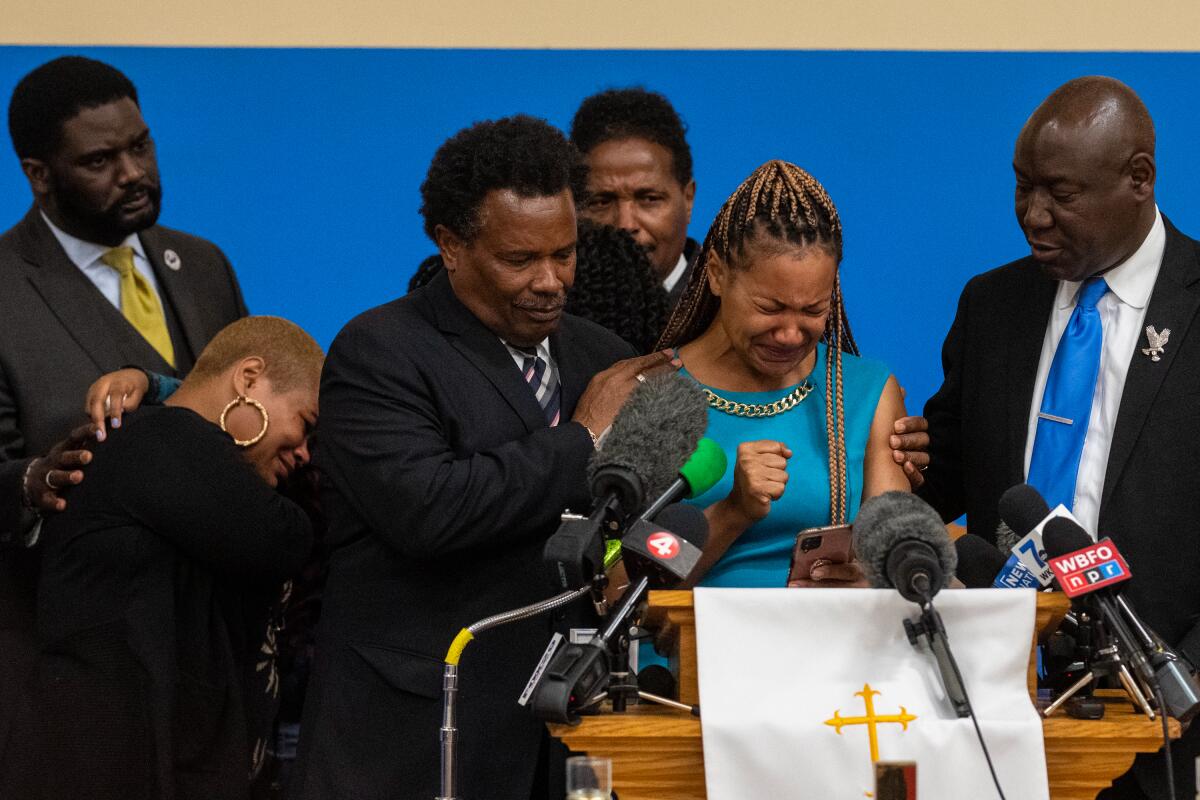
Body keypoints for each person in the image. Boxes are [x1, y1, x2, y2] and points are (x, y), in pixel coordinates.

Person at [291, 115, 674, 800]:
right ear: (451, 246)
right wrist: (582, 439)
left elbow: (630, 523)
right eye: (520, 260)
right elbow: (428, 510)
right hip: (420, 731)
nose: (552, 281)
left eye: (565, 253)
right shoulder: (380, 351)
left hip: (565, 736)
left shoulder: (600, 357)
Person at [916, 76, 1200, 799]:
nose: (1032, 215)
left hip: (1166, 717)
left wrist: (1183, 680)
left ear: (1139, 178)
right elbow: (945, 471)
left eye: (1061, 195)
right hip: (996, 704)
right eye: (1022, 187)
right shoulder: (992, 305)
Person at [0, 54, 247, 766]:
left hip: (214, 649)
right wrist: (27, 482)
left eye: (140, 146)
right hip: (75, 665)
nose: (134, 172)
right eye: (100, 160)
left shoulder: (202, 265)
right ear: (38, 173)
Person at [10, 316, 320, 800]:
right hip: (107, 768)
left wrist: (153, 384)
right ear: (248, 378)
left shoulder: (177, 454)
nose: (304, 454)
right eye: (305, 424)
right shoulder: (163, 441)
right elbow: (283, 537)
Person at [656, 160, 910, 588]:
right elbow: (619, 585)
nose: (791, 334)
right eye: (769, 308)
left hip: (826, 648)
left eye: (814, 310)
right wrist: (731, 512)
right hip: (686, 650)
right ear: (717, 274)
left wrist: (866, 579)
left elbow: (894, 565)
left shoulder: (867, 392)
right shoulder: (652, 394)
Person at [571, 87, 699, 306]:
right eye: (602, 202)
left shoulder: (730, 313)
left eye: (649, 199)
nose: (625, 224)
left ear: (688, 199)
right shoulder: (548, 316)